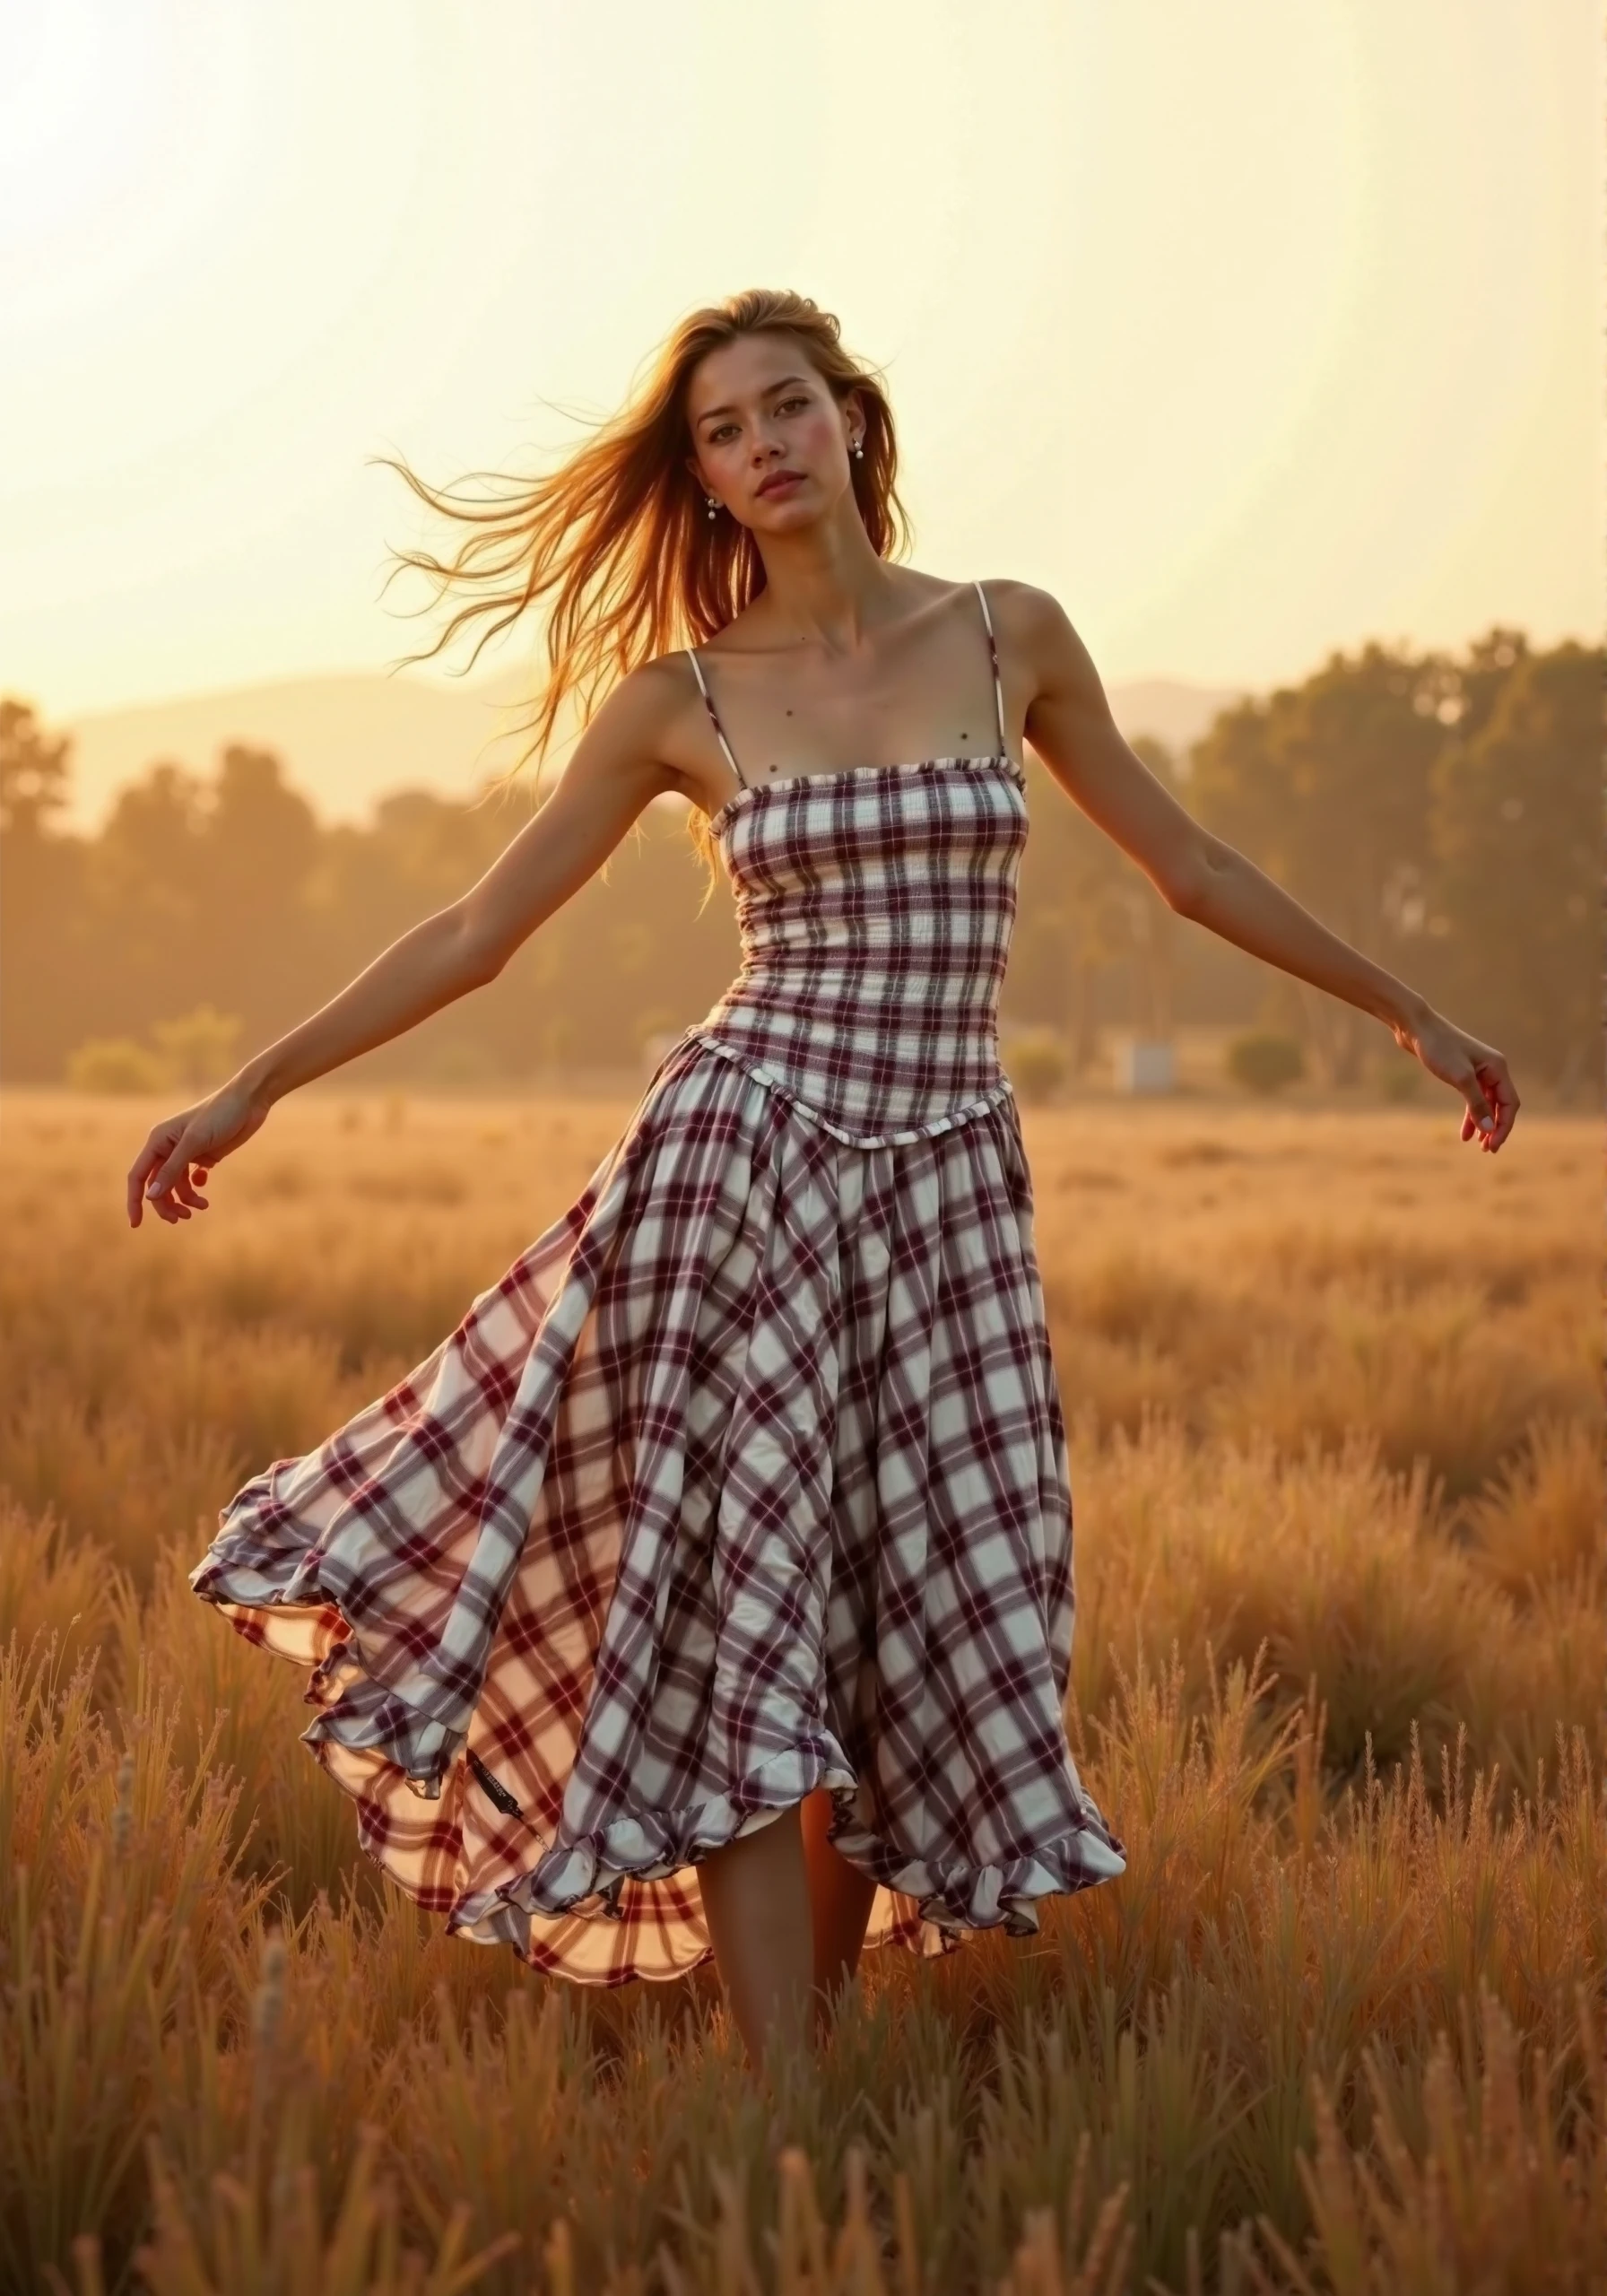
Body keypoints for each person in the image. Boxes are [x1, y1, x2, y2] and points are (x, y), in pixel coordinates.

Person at [126, 289, 1518, 2077]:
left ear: (851, 417)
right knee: (748, 1608)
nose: (761, 443)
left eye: (786, 406)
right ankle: (783, 2092)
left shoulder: (1009, 635)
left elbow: (1189, 864)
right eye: (721, 428)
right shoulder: (676, 701)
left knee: (924, 1610)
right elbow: (477, 929)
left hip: (948, 1188)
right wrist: (251, 1084)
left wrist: (1407, 1004)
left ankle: (817, 2035)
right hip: (747, 1170)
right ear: (698, 477)